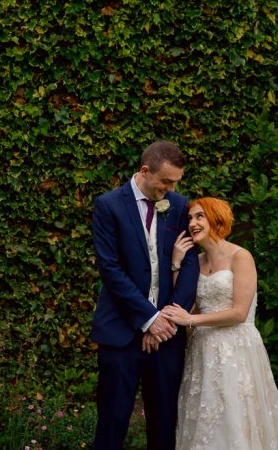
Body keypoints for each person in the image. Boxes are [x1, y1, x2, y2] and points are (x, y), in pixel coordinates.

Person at [91, 141, 200, 450]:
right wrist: (148, 319)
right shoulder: (108, 205)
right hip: (120, 333)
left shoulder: (178, 206)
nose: (171, 188)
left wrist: (165, 319)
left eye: (176, 182)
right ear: (144, 171)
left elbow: (189, 262)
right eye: (166, 181)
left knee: (164, 424)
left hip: (167, 337)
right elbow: (110, 269)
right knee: (112, 424)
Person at [162, 197, 278, 450]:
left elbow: (239, 313)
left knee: (234, 418)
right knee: (204, 422)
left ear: (216, 219)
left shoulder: (240, 256)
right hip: (202, 351)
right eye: (190, 218)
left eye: (200, 216)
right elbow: (184, 305)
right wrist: (176, 263)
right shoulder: (196, 262)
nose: (192, 223)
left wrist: (191, 320)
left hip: (236, 350)